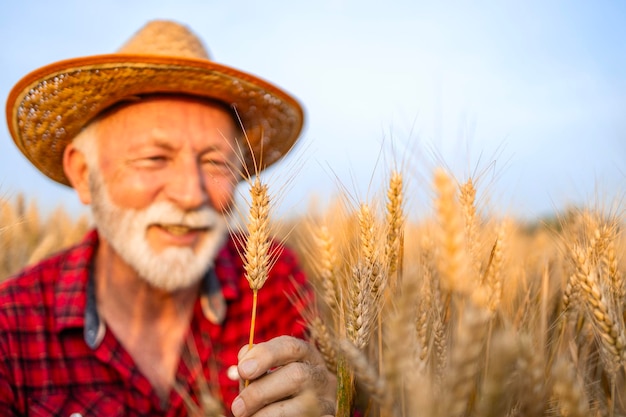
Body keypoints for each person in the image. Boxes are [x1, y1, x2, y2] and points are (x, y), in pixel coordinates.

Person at [0, 20, 336, 417]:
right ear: (82, 172)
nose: (191, 194)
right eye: (154, 158)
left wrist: (335, 400)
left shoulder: (274, 283)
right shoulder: (12, 329)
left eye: (215, 163)